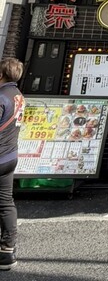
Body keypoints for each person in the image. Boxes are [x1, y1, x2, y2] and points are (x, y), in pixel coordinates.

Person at [0, 57, 25, 271]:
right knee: (6, 203)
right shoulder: (18, 96)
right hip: (9, 156)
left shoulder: (2, 97)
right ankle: (7, 251)